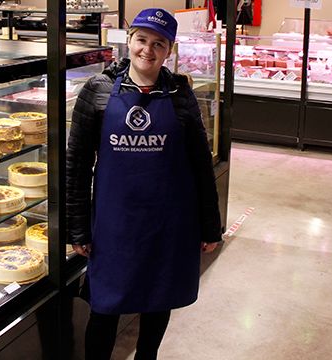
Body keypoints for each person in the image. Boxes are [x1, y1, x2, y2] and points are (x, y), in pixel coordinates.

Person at [66, 8, 223, 360]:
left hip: (168, 224)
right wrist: (78, 229)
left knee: (158, 300)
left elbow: (200, 166)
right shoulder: (99, 91)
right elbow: (76, 165)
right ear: (129, 41)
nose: (147, 51)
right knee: (105, 307)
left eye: (158, 44)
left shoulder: (180, 96)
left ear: (169, 50)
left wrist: (211, 226)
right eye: (141, 40)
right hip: (114, 226)